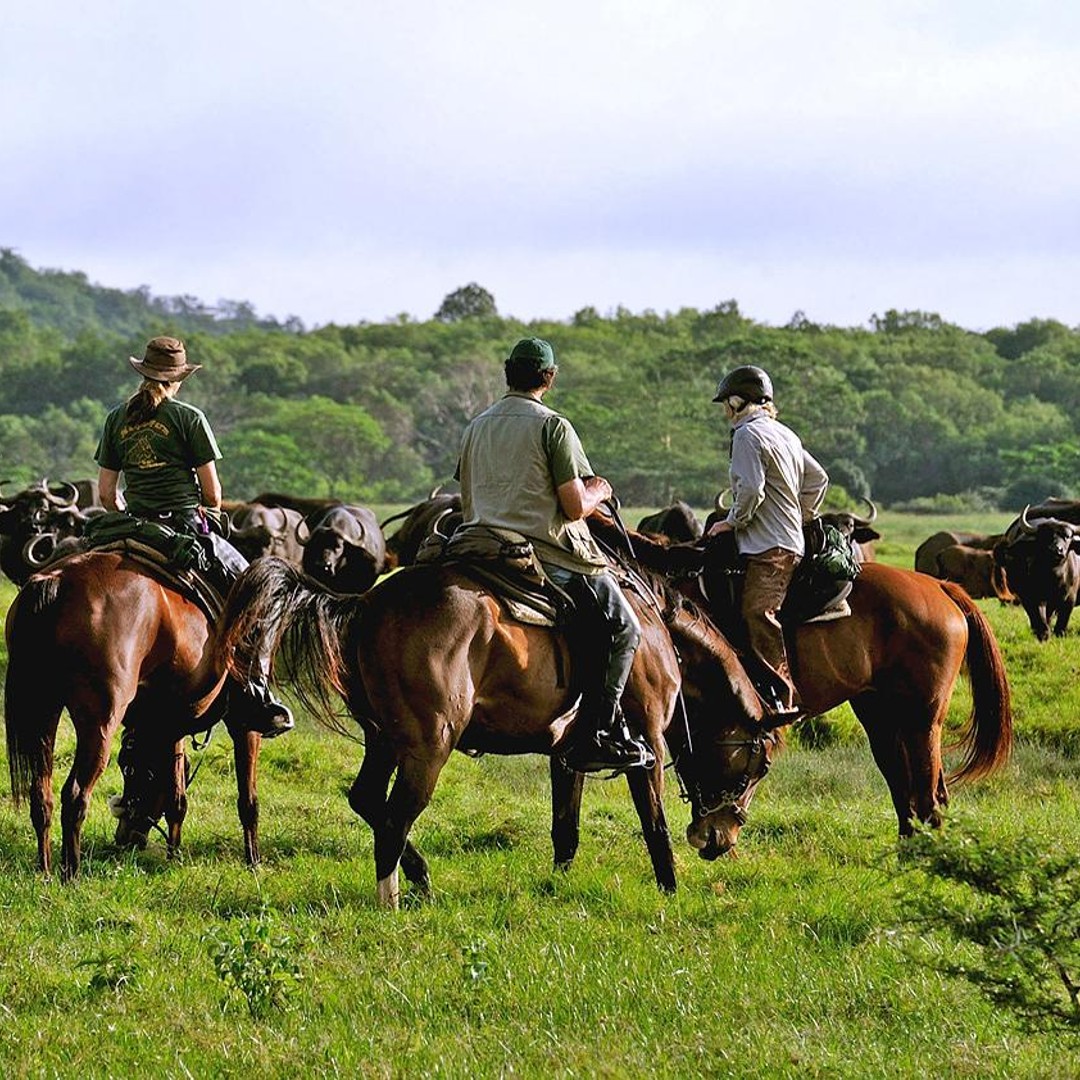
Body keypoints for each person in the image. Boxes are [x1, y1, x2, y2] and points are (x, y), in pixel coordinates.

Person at [456, 336, 655, 774]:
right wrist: (599, 489)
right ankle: (599, 731)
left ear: (508, 372)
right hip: (548, 553)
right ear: (550, 378)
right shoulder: (554, 426)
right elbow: (572, 506)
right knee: (624, 627)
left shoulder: (476, 426)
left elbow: (467, 497)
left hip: (480, 546)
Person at [94, 335, 293, 738]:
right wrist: (207, 512)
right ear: (178, 379)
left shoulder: (117, 418)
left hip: (132, 526)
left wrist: (128, 517)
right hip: (183, 527)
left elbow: (104, 493)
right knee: (253, 594)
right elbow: (213, 494)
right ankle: (257, 689)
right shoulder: (188, 417)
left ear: (143, 372)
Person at [706, 364, 829, 721]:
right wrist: (801, 515)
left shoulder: (746, 435)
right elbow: (818, 479)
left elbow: (751, 490)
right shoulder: (785, 434)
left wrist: (731, 522)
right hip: (788, 540)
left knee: (757, 613)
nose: (724, 411)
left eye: (725, 404)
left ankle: (780, 695)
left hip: (767, 546)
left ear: (736, 401)